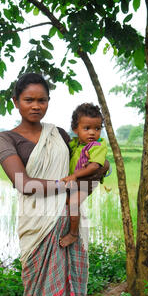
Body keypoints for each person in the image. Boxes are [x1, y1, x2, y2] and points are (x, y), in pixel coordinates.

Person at [0, 73, 109, 296]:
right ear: (16, 102)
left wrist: (101, 170)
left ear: (48, 102)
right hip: (36, 230)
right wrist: (66, 183)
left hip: (70, 224)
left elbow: (88, 165)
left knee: (74, 295)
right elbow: (24, 183)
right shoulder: (6, 139)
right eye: (29, 99)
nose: (35, 105)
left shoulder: (58, 134)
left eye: (41, 99)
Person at [59, 103, 108, 248]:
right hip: (75, 182)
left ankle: (73, 234)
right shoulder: (76, 144)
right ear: (76, 129)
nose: (92, 133)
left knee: (73, 203)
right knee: (67, 202)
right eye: (87, 128)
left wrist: (74, 176)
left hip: (86, 183)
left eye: (97, 128)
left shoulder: (97, 145)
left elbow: (95, 166)